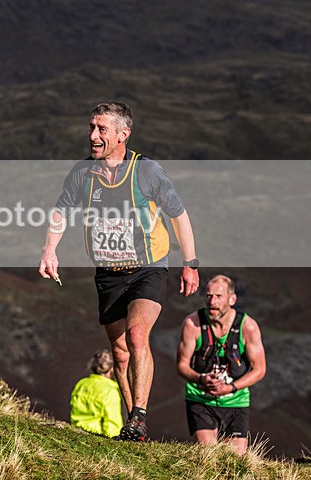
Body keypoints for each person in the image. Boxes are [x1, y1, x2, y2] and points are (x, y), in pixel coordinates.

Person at [38, 101, 200, 441]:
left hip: (147, 267)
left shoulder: (146, 171)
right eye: (91, 127)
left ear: (123, 134)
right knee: (121, 353)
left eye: (101, 129)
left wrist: (190, 263)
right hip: (108, 273)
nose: (92, 136)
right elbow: (61, 211)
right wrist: (49, 250)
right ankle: (132, 425)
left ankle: (139, 416)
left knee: (137, 335)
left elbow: (178, 215)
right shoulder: (83, 173)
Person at [176, 274, 266, 455]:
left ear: (232, 299)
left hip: (236, 400)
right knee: (209, 455)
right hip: (200, 398)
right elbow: (181, 365)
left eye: (218, 296)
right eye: (209, 296)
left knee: (235, 459)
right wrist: (201, 379)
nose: (212, 302)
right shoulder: (192, 324)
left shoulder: (247, 327)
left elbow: (259, 369)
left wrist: (231, 388)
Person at [70, 349, 123, 438]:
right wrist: (114, 440)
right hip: (97, 436)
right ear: (112, 369)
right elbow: (112, 421)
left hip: (75, 431)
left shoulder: (81, 384)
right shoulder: (110, 390)